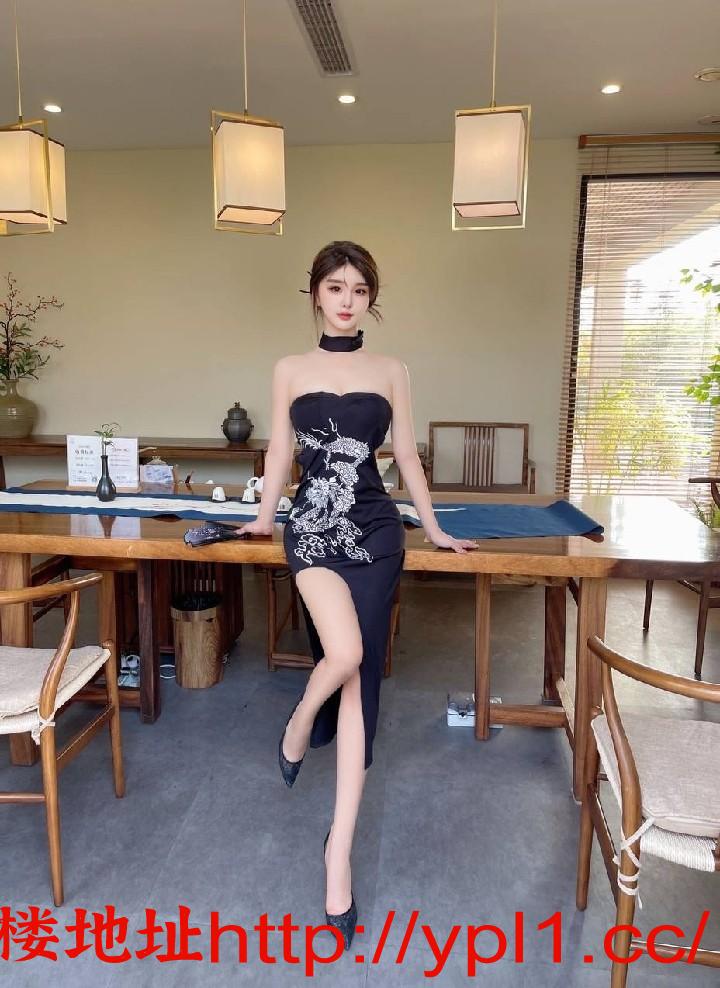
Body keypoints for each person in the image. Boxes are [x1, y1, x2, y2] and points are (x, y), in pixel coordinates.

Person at [234, 241, 478, 950]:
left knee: (359, 680)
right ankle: (297, 725)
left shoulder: (392, 370)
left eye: (360, 289)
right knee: (342, 654)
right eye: (336, 287)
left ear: (372, 298)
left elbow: (406, 458)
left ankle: (336, 854)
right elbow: (280, 452)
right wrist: (263, 516)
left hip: (375, 532)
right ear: (315, 292)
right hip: (311, 529)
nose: (347, 300)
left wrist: (434, 527)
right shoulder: (289, 368)